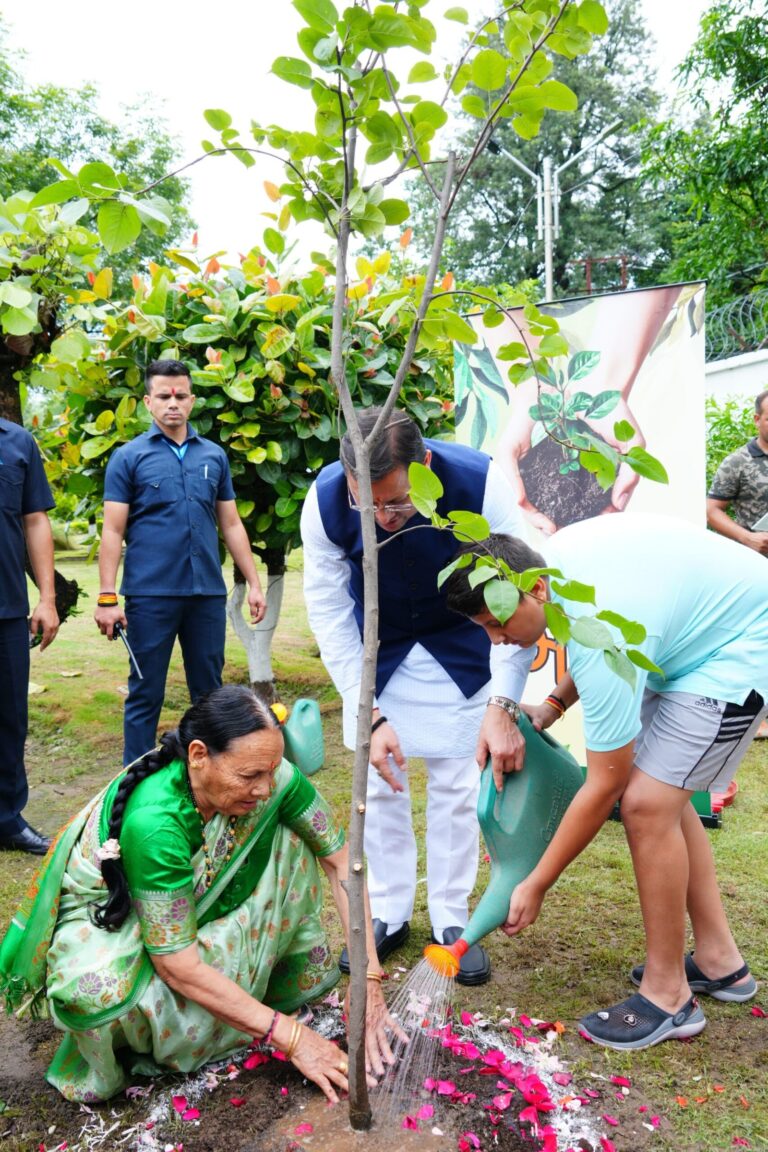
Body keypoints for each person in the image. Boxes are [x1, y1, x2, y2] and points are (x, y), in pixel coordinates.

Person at [444, 514, 766, 1050]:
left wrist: (536, 883)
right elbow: (604, 636)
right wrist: (550, 707)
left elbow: (603, 787)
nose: (497, 641)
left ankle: (670, 997)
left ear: (535, 589)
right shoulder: (556, 566)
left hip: (741, 647)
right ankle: (720, 962)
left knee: (645, 805)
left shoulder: (591, 616)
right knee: (664, 797)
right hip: (690, 644)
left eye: (495, 624)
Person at [0, 685, 401, 1103]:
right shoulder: (157, 824)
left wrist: (369, 976)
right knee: (97, 990)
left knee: (290, 834)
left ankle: (252, 995)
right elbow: (177, 964)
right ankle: (154, 1038)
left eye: (272, 769)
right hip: (126, 925)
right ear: (197, 756)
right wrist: (292, 1037)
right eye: (249, 777)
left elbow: (341, 862)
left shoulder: (269, 775)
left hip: (190, 916)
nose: (265, 788)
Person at [300, 407, 534, 985]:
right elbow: (329, 610)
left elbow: (519, 597)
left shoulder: (479, 483)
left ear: (424, 466)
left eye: (397, 503)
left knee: (457, 783)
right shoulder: (326, 500)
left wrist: (502, 703)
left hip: (463, 639)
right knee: (381, 785)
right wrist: (367, 712)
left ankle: (451, 921)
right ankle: (389, 911)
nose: (381, 519)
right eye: (367, 504)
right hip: (378, 648)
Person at [94, 360, 266, 765]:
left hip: (206, 594)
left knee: (209, 694)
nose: (173, 403)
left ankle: (209, 776)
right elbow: (113, 532)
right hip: (150, 595)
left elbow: (231, 523)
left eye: (181, 395)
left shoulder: (214, 456)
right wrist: (106, 597)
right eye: (164, 396)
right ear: (148, 401)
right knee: (145, 692)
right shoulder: (128, 457)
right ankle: (132, 786)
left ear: (192, 399)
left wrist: (254, 583)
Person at [0, 417, 59, 856]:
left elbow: (35, 520)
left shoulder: (17, 441)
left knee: (9, 718)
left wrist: (48, 597)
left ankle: (7, 819)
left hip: (6, 607)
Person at [707, 389, 768, 555]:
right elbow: (711, 510)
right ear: (757, 420)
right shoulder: (737, 462)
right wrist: (747, 537)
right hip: (759, 563)